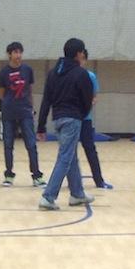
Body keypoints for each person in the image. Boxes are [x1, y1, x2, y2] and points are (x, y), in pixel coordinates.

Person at [36, 38, 95, 210]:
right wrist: (81, 115)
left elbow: (46, 100)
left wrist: (41, 126)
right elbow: (87, 100)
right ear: (79, 53)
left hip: (58, 119)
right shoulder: (81, 73)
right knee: (65, 157)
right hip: (72, 119)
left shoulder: (53, 73)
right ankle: (48, 197)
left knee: (70, 156)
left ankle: (77, 194)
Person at [0, 41, 44, 187]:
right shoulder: (3, 73)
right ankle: (9, 175)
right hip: (9, 113)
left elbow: (29, 91)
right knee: (8, 145)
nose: (18, 55)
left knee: (31, 144)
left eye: (20, 52)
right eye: (15, 52)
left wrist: (31, 107)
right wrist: (8, 106)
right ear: (9, 54)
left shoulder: (28, 70)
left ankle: (36, 175)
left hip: (25, 111)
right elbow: (2, 94)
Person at [78, 49, 112, 189]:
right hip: (71, 119)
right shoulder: (68, 75)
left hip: (85, 119)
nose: (80, 62)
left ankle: (99, 180)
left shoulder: (90, 76)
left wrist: (89, 104)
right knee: (67, 152)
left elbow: (94, 96)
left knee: (90, 150)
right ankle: (70, 181)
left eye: (82, 59)